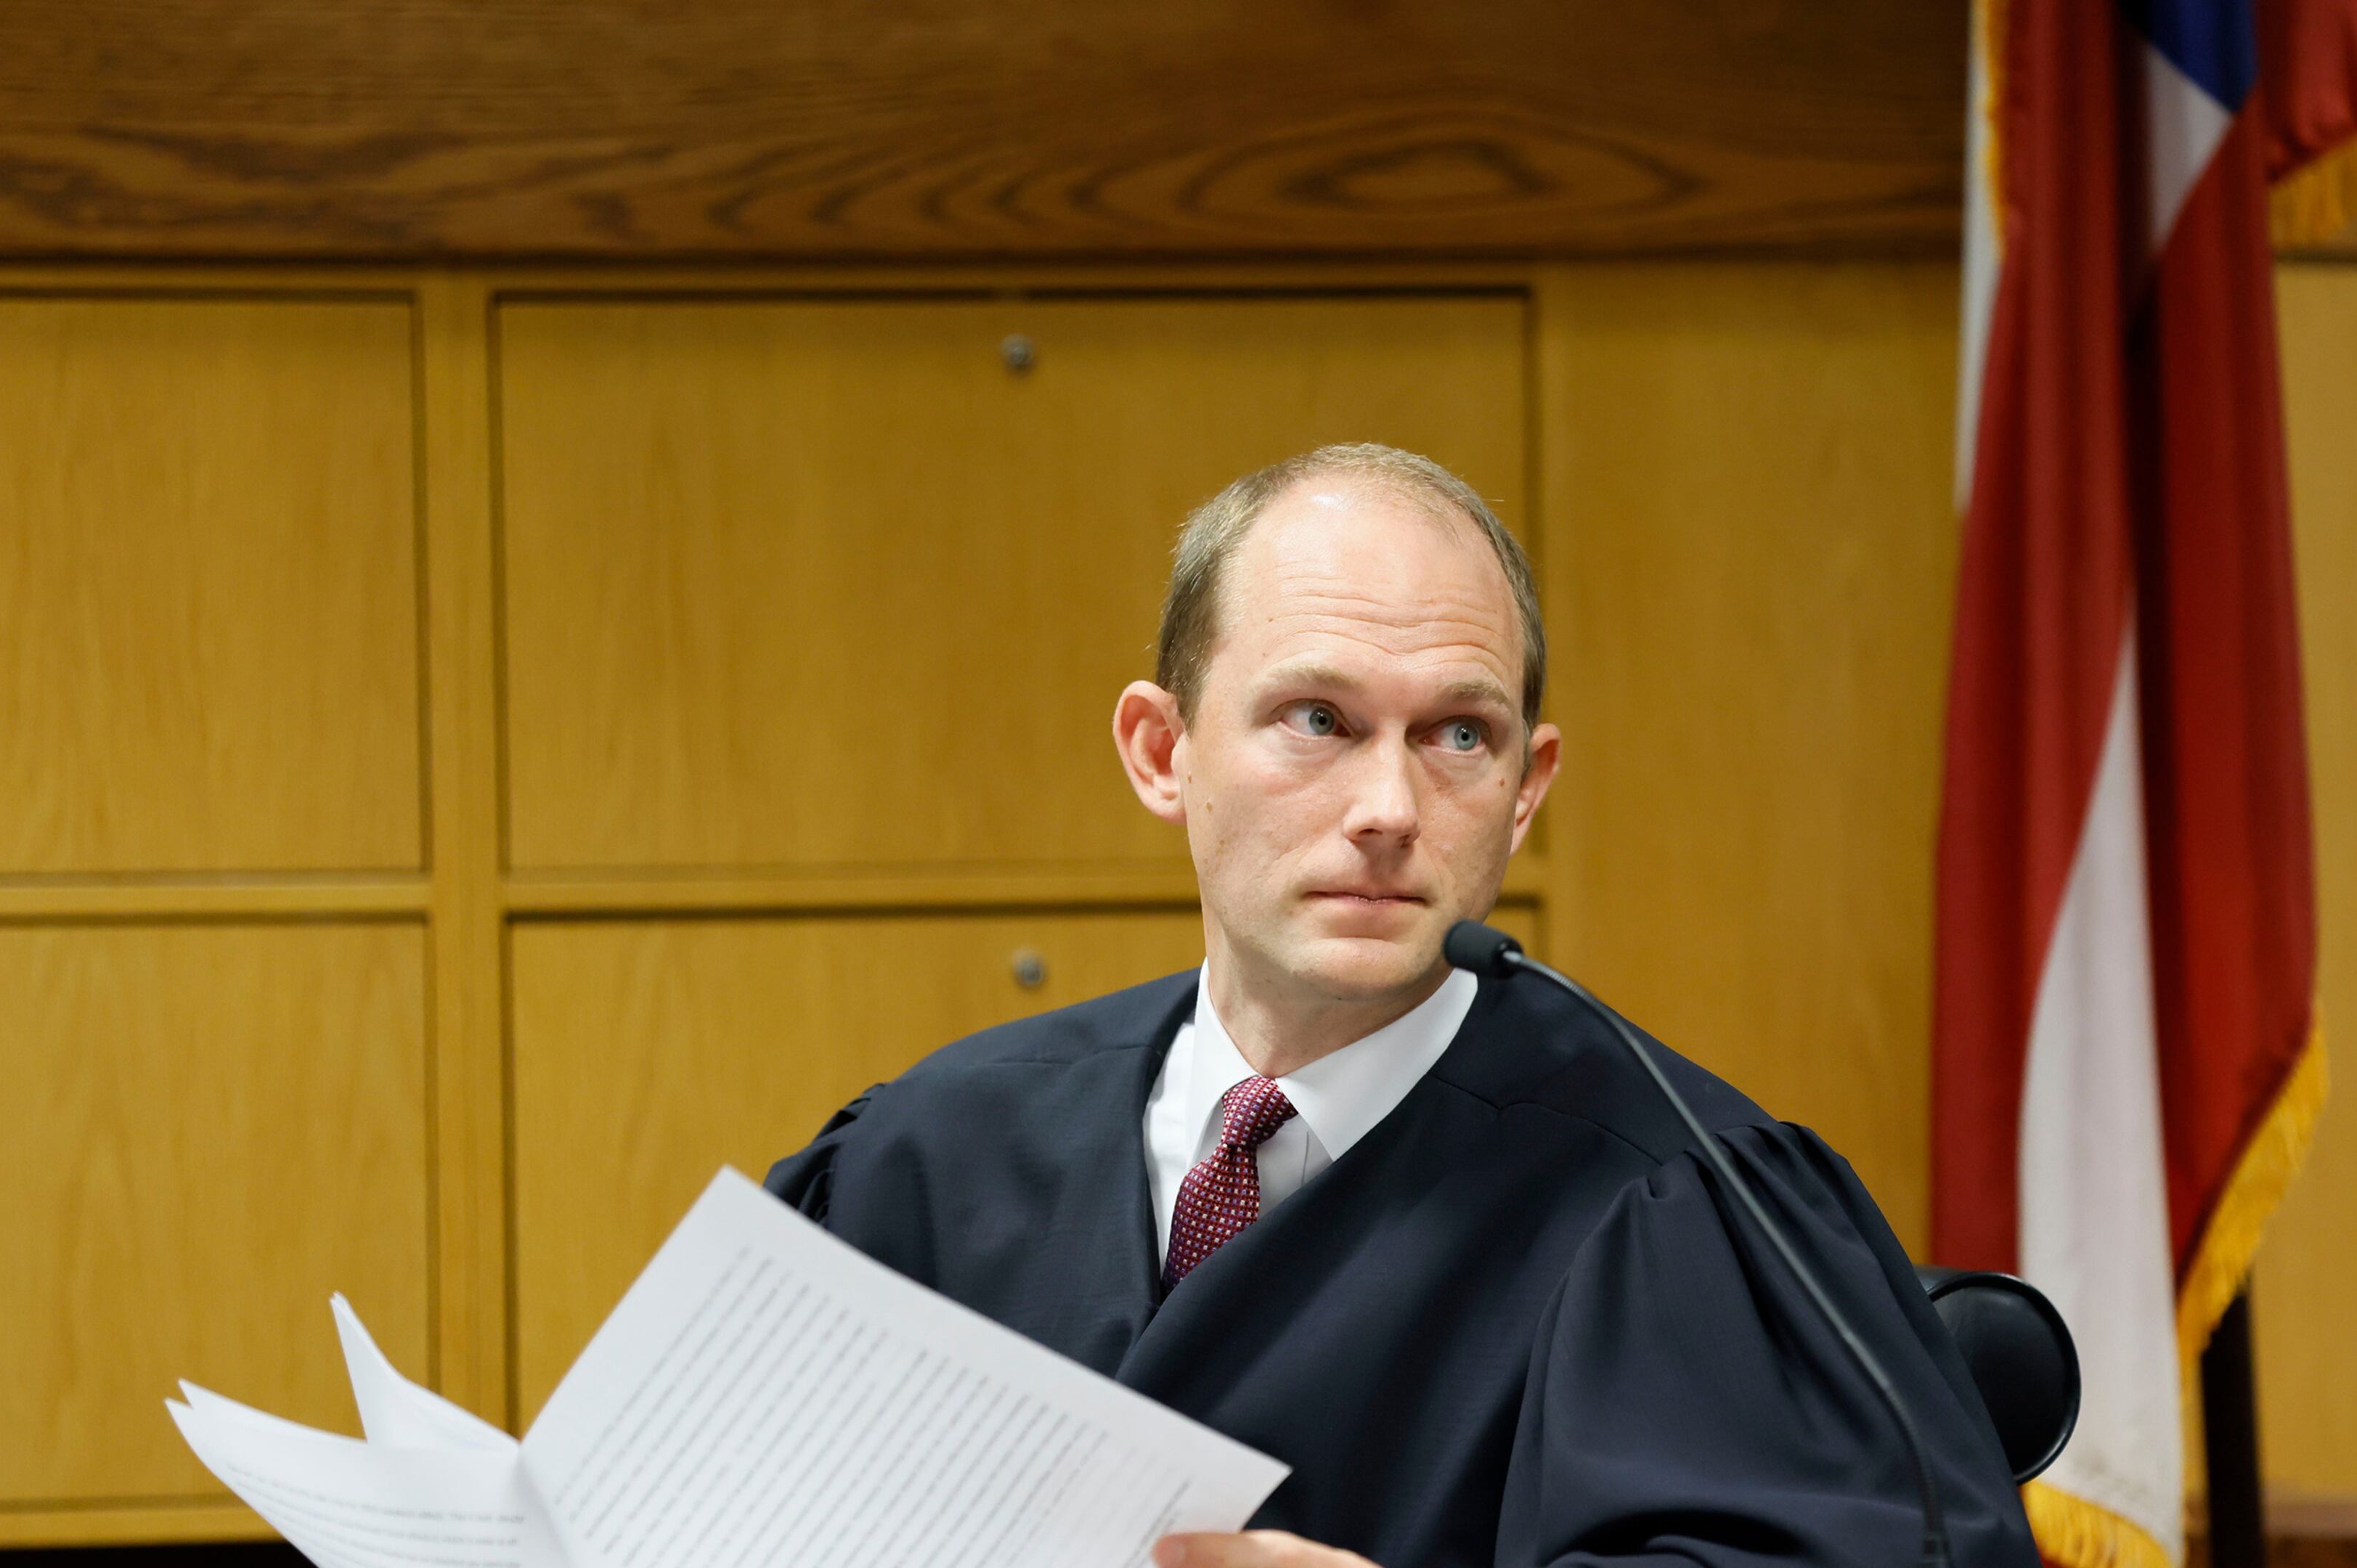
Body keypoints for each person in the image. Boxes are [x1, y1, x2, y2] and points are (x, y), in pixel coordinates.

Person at [767, 444, 2037, 1568]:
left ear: (1527, 788)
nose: (1388, 809)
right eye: (1318, 719)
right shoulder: (926, 1162)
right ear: (1164, 753)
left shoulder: (1677, 1204)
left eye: (1459, 736)